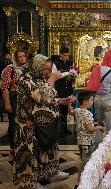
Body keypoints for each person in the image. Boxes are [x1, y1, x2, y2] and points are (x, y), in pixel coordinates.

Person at [13, 54, 70, 188]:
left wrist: (60, 101)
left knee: (49, 149)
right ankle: (30, 182)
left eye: (48, 69)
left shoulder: (40, 78)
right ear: (36, 66)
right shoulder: (26, 79)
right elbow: (42, 98)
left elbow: (50, 97)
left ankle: (50, 173)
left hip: (46, 125)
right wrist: (52, 79)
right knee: (30, 153)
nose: (47, 72)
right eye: (44, 69)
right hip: (29, 125)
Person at [68, 91, 105, 182]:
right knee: (86, 162)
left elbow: (70, 112)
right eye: (91, 99)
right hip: (87, 142)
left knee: (83, 159)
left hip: (80, 141)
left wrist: (69, 103)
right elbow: (90, 129)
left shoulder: (77, 110)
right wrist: (99, 127)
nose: (92, 101)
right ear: (85, 101)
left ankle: (82, 179)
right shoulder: (88, 114)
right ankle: (82, 180)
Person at [1, 49, 28, 151]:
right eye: (20, 56)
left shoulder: (28, 68)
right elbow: (5, 88)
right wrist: (7, 103)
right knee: (13, 123)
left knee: (25, 123)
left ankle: (23, 146)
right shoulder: (10, 69)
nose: (22, 58)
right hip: (14, 98)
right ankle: (13, 147)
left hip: (25, 99)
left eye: (24, 56)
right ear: (16, 58)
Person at [86, 50, 111, 133]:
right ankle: (110, 145)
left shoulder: (97, 69)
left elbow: (92, 84)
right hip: (108, 100)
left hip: (97, 99)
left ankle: (99, 144)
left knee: (100, 125)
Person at [52, 46, 76, 134]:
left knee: (66, 110)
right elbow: (55, 76)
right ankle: (59, 129)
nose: (66, 57)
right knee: (59, 110)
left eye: (67, 55)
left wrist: (74, 75)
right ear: (60, 54)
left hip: (68, 89)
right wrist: (66, 73)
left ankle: (65, 128)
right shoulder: (56, 63)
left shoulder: (70, 63)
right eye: (65, 55)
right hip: (59, 89)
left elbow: (72, 75)